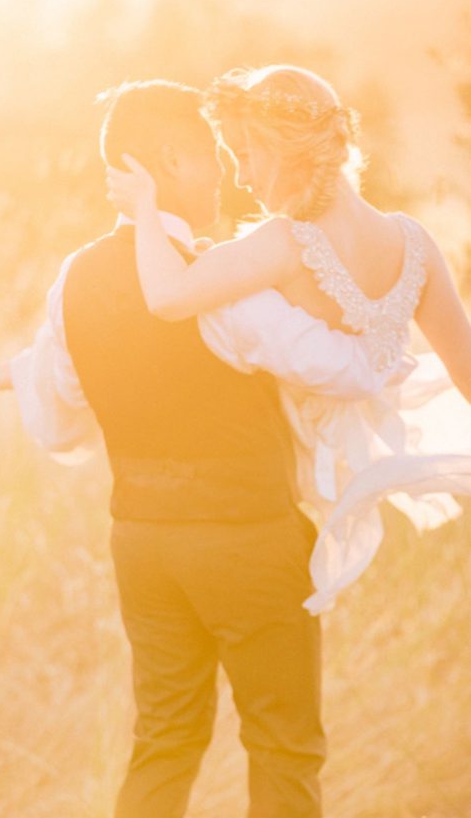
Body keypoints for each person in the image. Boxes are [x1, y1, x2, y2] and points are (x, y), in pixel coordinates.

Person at [0, 77, 460, 818]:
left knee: (162, 739)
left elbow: (60, 410)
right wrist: (382, 343)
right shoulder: (228, 285)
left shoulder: (74, 279)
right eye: (212, 155)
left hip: (142, 545)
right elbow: (335, 366)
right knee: (285, 747)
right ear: (167, 162)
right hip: (249, 542)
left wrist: (10, 375)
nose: (227, 174)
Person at [106, 64, 471, 614]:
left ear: (283, 149)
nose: (241, 178)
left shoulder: (283, 244)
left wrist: (145, 209)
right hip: (345, 455)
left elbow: (166, 296)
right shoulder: (414, 243)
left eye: (245, 156)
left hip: (265, 488)